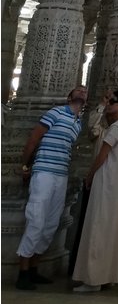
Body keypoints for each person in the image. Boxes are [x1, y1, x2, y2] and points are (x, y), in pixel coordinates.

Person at [16, 85, 89, 290]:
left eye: (85, 91)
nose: (82, 92)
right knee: (36, 219)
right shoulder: (55, 112)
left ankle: (34, 268)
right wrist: (24, 165)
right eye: (78, 90)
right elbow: (34, 139)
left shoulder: (77, 123)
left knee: (50, 223)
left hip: (61, 174)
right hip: (44, 172)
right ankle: (22, 272)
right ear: (69, 97)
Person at [71, 88, 118, 293]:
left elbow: (102, 155)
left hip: (105, 182)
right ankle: (106, 275)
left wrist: (89, 175)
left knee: (97, 228)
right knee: (109, 231)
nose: (108, 104)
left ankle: (93, 279)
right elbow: (93, 131)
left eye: (112, 101)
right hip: (115, 186)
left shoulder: (117, 128)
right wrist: (101, 107)